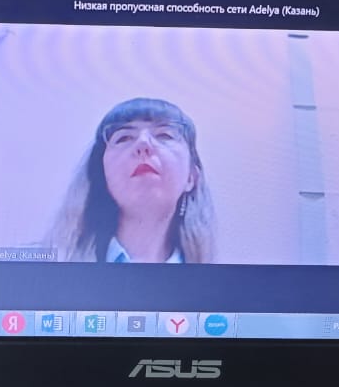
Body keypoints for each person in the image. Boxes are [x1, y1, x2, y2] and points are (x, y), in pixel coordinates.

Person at [47, 97, 216, 263]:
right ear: (102, 173)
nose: (143, 143)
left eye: (164, 135)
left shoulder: (213, 279)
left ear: (191, 177)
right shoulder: (54, 268)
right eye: (124, 138)